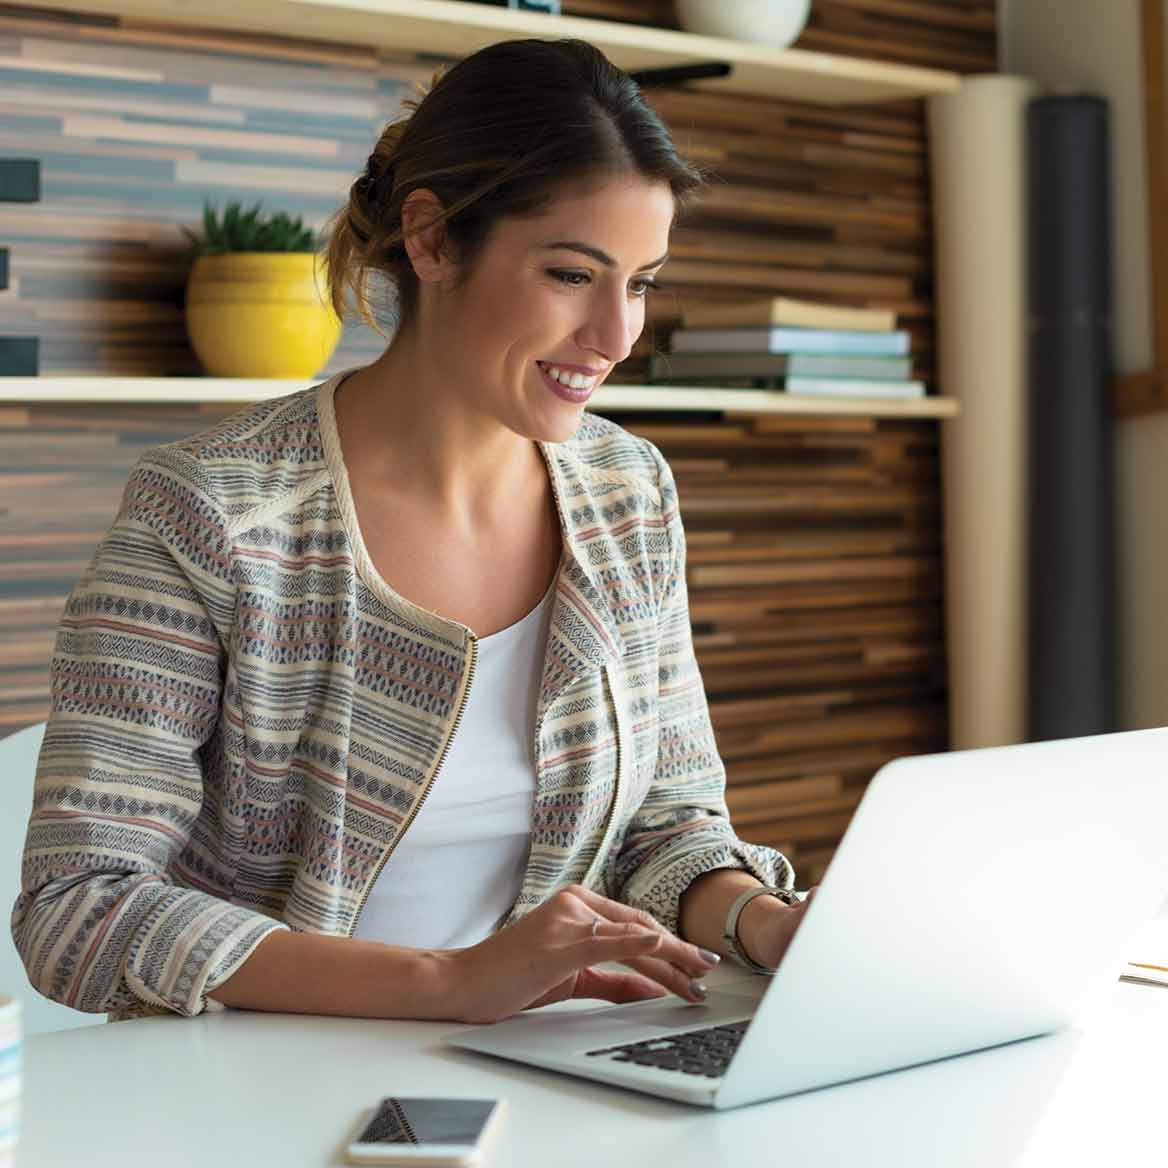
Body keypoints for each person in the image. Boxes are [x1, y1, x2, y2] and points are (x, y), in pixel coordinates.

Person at [11, 37, 812, 1025]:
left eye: (640, 281)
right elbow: (78, 908)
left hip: (543, 1070)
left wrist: (763, 922)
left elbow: (667, 827)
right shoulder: (212, 514)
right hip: (258, 1084)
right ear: (430, 240)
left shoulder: (625, 493)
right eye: (571, 273)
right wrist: (452, 985)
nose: (615, 335)